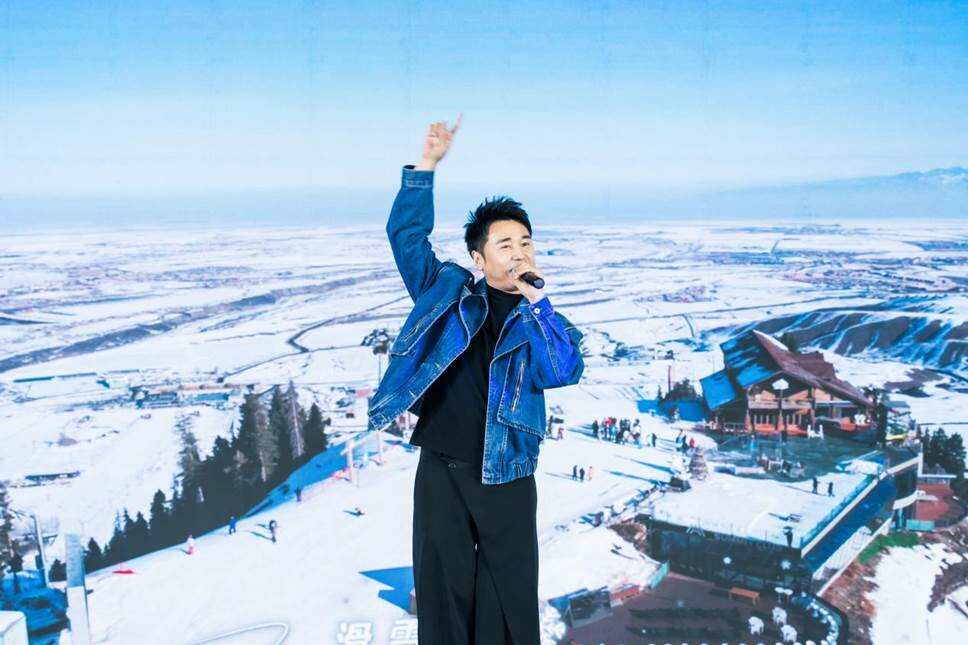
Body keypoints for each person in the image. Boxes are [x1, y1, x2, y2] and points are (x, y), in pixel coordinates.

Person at [372, 115, 585, 645]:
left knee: (509, 599)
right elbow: (405, 237)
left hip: (508, 473)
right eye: (505, 244)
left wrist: (539, 306)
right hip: (442, 466)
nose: (519, 253)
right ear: (478, 256)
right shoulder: (447, 293)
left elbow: (563, 370)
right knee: (442, 592)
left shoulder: (541, 321)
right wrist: (427, 165)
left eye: (526, 243)